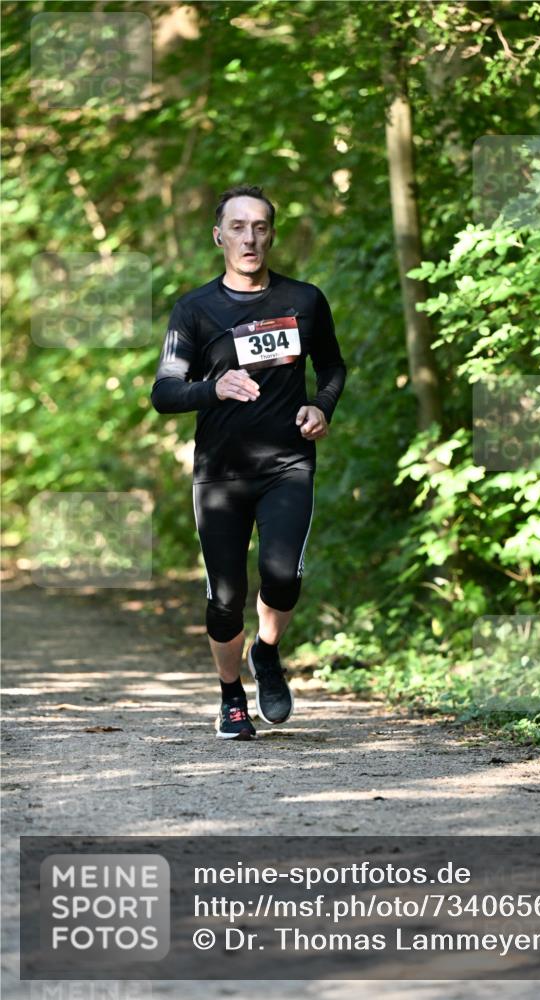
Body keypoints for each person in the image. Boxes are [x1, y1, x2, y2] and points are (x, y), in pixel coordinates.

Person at [151, 184, 346, 741]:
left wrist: (321, 405)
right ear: (219, 236)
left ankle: (267, 653)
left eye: (259, 226)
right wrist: (213, 387)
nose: (249, 237)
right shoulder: (194, 308)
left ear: (272, 234)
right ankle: (231, 693)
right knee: (226, 597)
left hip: (287, 462)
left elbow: (332, 367)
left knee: (282, 576)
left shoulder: (304, 300)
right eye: (237, 227)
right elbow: (165, 393)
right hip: (220, 475)